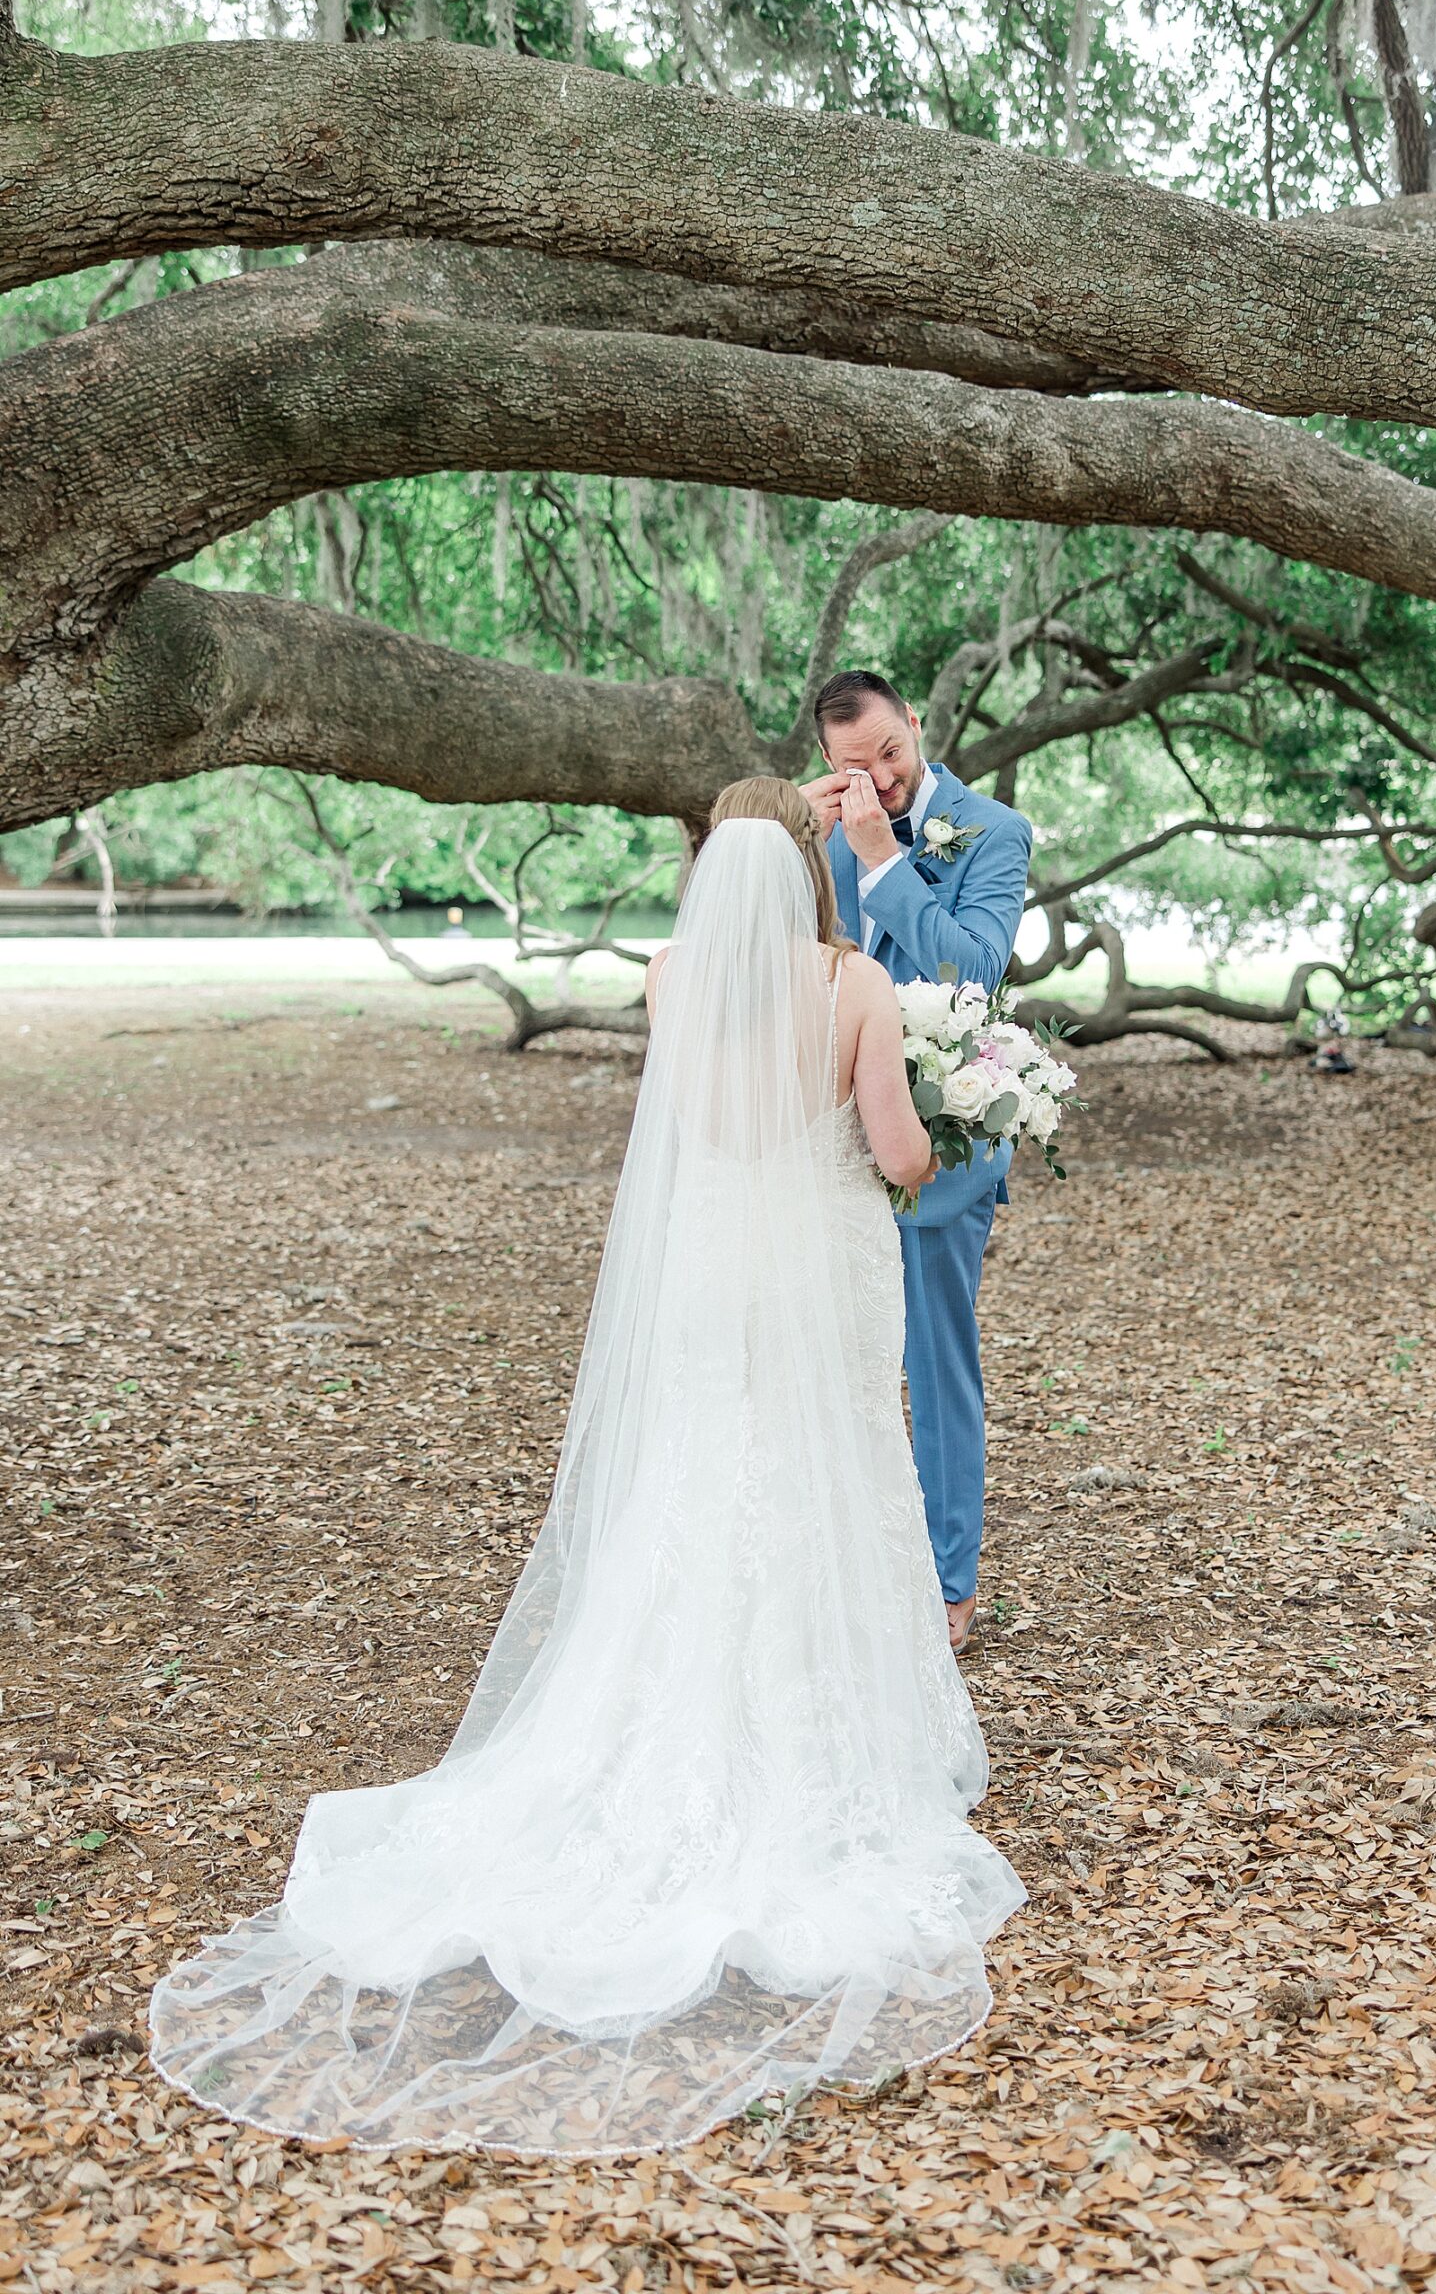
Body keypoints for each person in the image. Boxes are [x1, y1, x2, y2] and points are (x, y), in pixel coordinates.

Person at [150, 780, 1023, 2159]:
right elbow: (901, 1156)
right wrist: (936, 1109)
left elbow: (691, 1134)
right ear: (805, 867)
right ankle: (827, 1743)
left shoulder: (674, 976)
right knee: (827, 1476)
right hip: (814, 1265)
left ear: (708, 873)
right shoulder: (854, 979)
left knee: (699, 1478)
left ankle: (646, 1725)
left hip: (707, 1263)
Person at [803, 672, 1033, 1654]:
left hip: (944, 1144)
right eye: (855, 770)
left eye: (890, 755)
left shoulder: (993, 831)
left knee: (934, 1367)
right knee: (829, 1364)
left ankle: (948, 1582)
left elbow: (969, 969)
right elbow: (788, 957)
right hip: (833, 1143)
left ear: (918, 726)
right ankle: (840, 1566)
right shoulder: (817, 839)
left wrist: (880, 861)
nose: (881, 782)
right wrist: (789, 844)